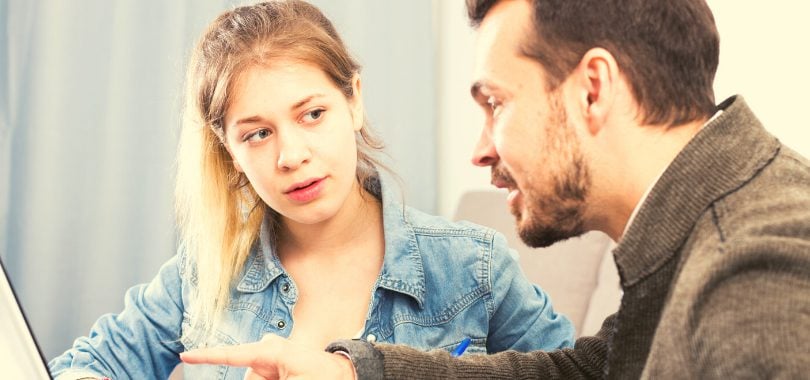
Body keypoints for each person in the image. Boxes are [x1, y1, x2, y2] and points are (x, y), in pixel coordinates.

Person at [180, 0, 810, 378]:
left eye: (495, 104)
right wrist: (357, 369)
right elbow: (587, 372)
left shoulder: (753, 278)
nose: (479, 150)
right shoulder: (695, 237)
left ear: (593, 89)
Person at [47, 1, 576, 379]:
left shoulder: (473, 268)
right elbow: (85, 366)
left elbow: (584, 370)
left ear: (355, 102)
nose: (291, 155)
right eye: (257, 133)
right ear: (228, 150)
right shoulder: (204, 273)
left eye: (313, 114)